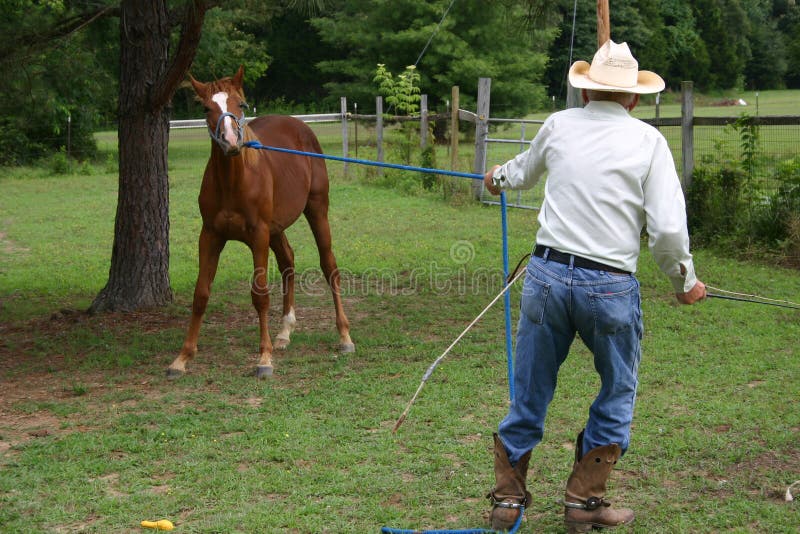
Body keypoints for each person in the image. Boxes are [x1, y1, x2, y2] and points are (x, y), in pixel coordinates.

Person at [483, 40, 707, 533]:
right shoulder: (648, 141)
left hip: (545, 276)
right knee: (617, 389)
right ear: (632, 98)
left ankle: (506, 502)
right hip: (609, 285)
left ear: (585, 93)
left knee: (530, 389)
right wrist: (684, 281)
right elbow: (668, 231)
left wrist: (496, 177)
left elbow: (520, 171)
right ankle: (583, 505)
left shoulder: (559, 124)